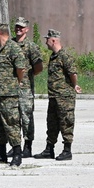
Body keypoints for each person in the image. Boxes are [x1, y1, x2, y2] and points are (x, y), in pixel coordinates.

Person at [34, 29, 80, 161]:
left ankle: (67, 150)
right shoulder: (53, 56)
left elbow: (73, 73)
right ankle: (49, 149)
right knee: (52, 123)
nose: (46, 42)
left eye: (47, 39)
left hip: (64, 97)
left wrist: (74, 85)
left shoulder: (65, 55)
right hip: (54, 96)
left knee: (66, 122)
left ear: (53, 40)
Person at [0, 23, 27, 166]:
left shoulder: (13, 48)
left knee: (12, 123)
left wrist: (17, 82)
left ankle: (17, 153)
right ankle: (1, 154)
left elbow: (21, 68)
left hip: (9, 94)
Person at [13, 18, 43, 157]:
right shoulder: (10, 44)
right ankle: (16, 145)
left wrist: (28, 76)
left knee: (26, 117)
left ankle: (28, 146)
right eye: (17, 27)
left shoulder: (31, 46)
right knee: (13, 118)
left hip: (25, 88)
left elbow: (38, 67)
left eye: (21, 27)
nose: (18, 29)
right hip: (11, 88)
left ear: (26, 29)